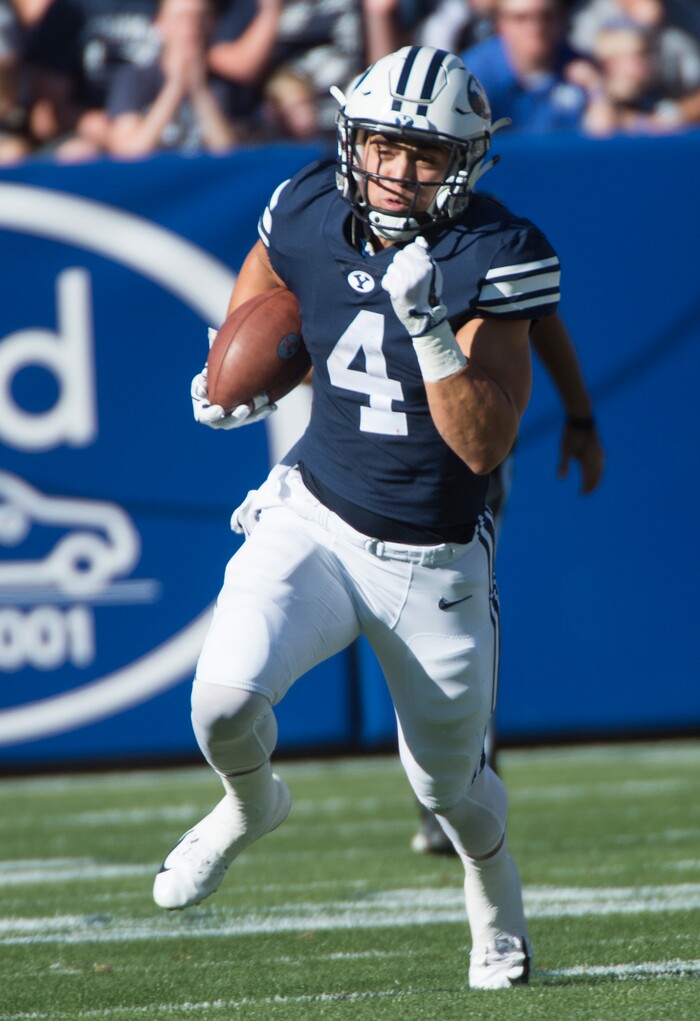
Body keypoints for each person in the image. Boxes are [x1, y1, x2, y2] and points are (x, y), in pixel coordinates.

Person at [154, 45, 562, 990]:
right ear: (352, 140)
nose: (397, 171)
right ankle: (251, 805)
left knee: (450, 792)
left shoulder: (498, 254)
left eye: (424, 155)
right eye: (382, 146)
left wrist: (427, 330)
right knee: (219, 702)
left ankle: (496, 911)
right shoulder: (305, 203)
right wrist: (233, 367)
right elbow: (270, 270)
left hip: (433, 560)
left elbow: (483, 445)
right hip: (316, 517)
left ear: (466, 161)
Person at [411, 309, 605, 853]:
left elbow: (538, 312)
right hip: (367, 450)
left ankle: (464, 792)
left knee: (452, 602)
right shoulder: (337, 229)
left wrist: (581, 415)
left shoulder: (495, 239)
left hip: (468, 444)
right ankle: (452, 792)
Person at [107, 0, 242, 157]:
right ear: (159, 24)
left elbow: (230, 155)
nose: (191, 28)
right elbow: (129, 154)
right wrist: (174, 87)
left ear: (213, 23)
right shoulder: (132, 79)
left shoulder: (225, 81)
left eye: (200, 17)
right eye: (181, 18)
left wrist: (200, 91)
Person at [461, 0, 588, 132]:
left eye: (546, 16)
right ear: (500, 24)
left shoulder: (582, 69)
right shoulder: (473, 76)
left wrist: (598, 92)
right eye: (521, 18)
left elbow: (601, 140)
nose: (536, 27)